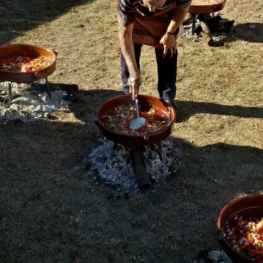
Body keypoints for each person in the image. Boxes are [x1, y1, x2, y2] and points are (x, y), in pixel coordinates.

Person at [116, 0, 192, 118]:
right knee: (130, 49)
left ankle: (167, 96)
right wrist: (133, 72)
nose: (151, 10)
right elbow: (125, 35)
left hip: (167, 17)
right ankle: (129, 96)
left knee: (167, 48)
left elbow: (182, 9)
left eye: (156, 4)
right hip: (135, 14)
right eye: (148, 3)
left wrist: (170, 33)